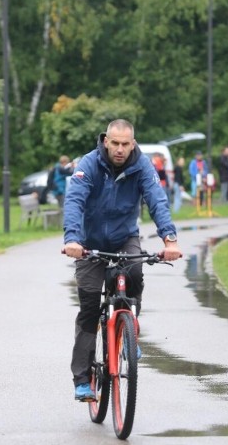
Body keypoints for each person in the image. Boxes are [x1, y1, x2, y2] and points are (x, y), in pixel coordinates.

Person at [63, 119, 183, 402]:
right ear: (106, 140)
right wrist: (72, 240)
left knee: (135, 275)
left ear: (133, 143)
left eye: (125, 144)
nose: (119, 149)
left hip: (124, 238)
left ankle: (129, 333)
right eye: (114, 143)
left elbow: (157, 200)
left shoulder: (141, 166)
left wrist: (170, 239)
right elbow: (74, 201)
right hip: (88, 244)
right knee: (90, 308)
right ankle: (82, 380)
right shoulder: (89, 164)